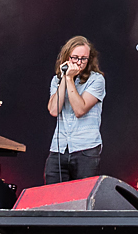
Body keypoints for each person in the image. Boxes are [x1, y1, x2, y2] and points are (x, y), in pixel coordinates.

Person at [45, 36, 107, 182]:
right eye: (75, 58)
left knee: (81, 199)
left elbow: (79, 110)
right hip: (59, 149)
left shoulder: (96, 80)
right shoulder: (56, 80)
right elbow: (54, 110)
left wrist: (69, 80)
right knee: (53, 197)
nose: (79, 63)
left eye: (83, 59)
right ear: (67, 57)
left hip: (86, 149)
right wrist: (65, 79)